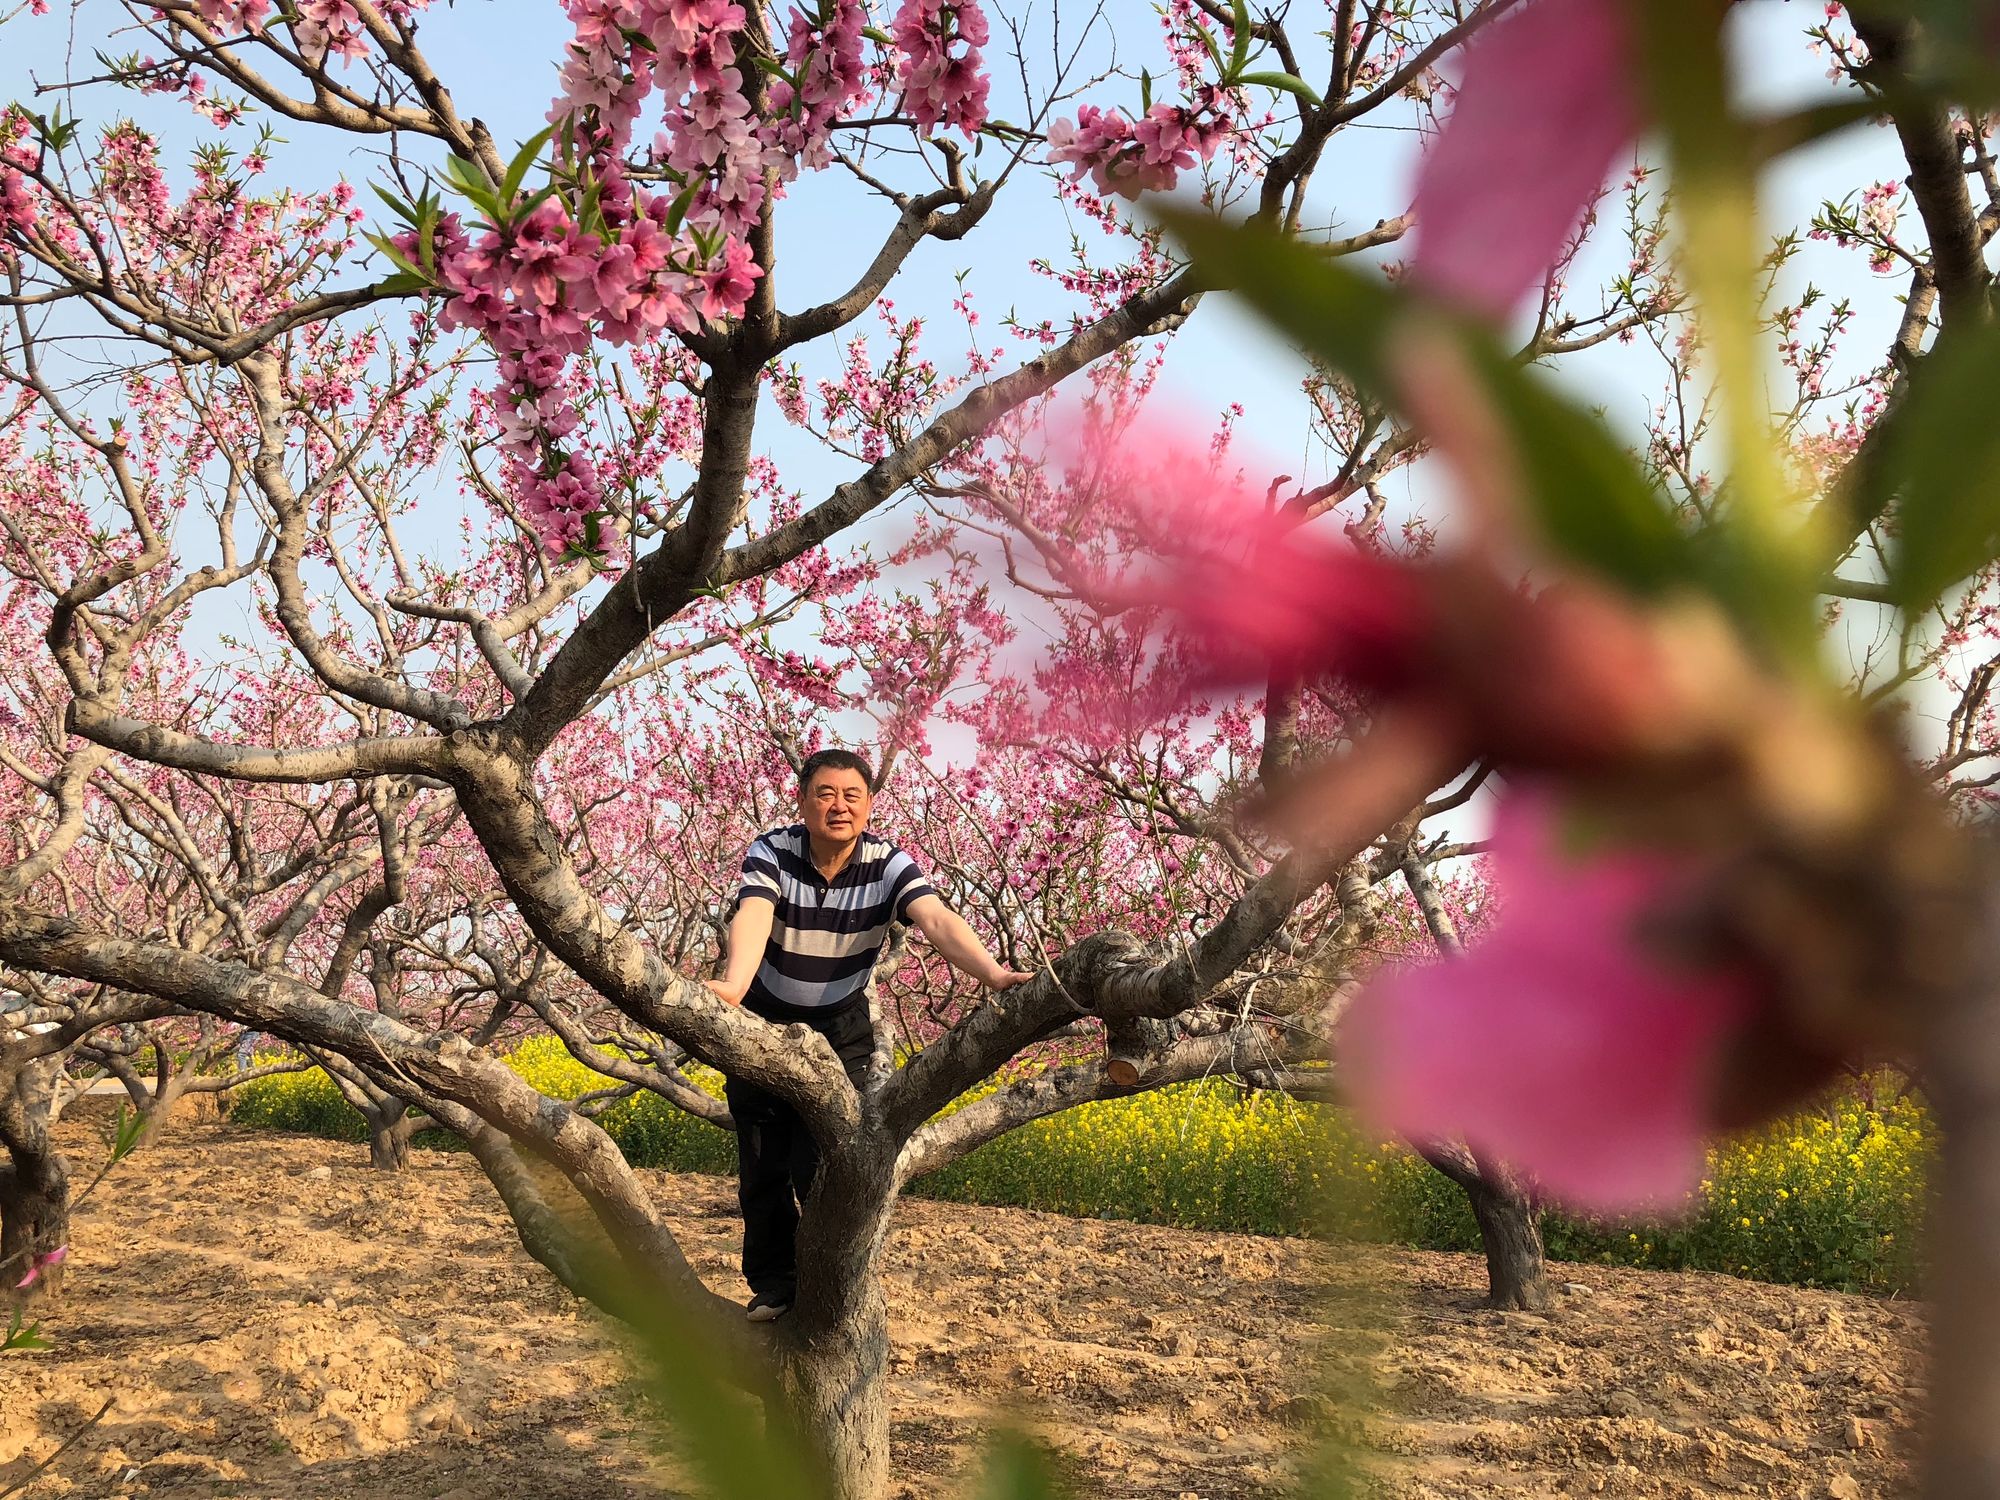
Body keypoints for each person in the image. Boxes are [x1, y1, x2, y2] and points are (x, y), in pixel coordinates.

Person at [704, 748, 1032, 1321]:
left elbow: (936, 920)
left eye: (852, 796)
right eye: (825, 794)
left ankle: (828, 1286)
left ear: (869, 805)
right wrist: (733, 986)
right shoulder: (773, 851)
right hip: (762, 1014)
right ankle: (776, 1284)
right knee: (763, 1162)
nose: (839, 806)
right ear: (801, 801)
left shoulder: (887, 863)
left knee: (829, 1163)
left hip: (841, 1025)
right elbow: (753, 913)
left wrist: (996, 975)